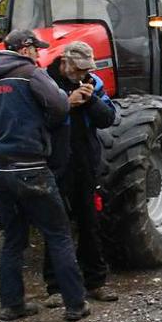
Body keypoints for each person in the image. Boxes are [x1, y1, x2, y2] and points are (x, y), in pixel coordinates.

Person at [0, 30, 88, 322]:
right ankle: (75, 304)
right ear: (25, 49)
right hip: (32, 169)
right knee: (58, 234)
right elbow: (59, 106)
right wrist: (49, 124)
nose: (38, 54)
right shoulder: (32, 75)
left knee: (12, 239)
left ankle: (12, 305)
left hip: (1, 172)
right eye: (36, 49)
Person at [43, 41, 119, 304]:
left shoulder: (93, 83)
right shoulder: (45, 83)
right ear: (65, 62)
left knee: (90, 223)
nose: (82, 74)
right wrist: (68, 103)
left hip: (86, 162)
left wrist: (91, 101)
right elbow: (40, 119)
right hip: (56, 162)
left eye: (87, 69)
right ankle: (55, 287)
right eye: (78, 69)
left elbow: (108, 118)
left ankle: (96, 282)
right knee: (56, 225)